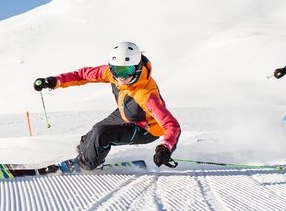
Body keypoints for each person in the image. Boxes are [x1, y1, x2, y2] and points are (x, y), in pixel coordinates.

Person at [33, 41, 182, 170]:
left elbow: (171, 125)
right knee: (88, 139)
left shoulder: (145, 94)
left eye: (127, 70)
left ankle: (85, 164)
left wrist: (165, 148)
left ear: (137, 67)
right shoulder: (112, 74)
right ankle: (92, 157)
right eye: (117, 70)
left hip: (146, 127)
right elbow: (83, 75)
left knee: (101, 135)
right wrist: (54, 81)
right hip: (127, 112)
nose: (121, 77)